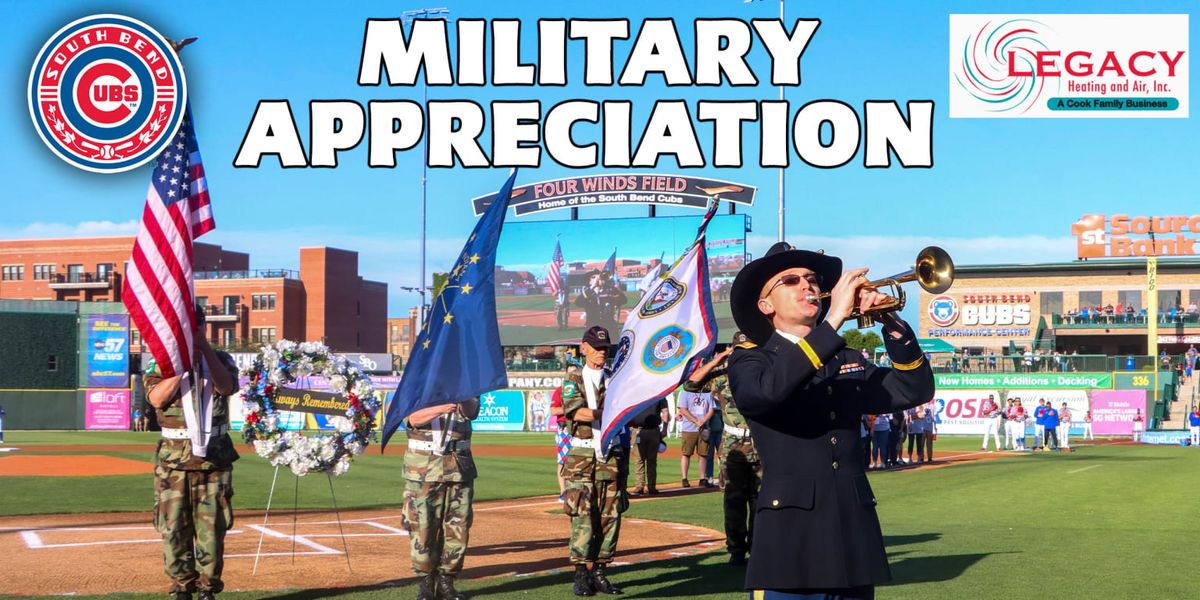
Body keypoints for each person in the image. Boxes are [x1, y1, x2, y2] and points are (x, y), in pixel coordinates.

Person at [726, 242, 935, 597]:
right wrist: (834, 319)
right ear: (766, 305)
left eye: (811, 279)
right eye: (791, 280)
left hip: (853, 538)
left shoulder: (844, 357)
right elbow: (766, 394)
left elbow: (913, 389)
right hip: (790, 541)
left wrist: (893, 325)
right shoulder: (752, 359)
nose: (807, 285)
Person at [143, 310, 239, 600]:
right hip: (173, 463)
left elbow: (227, 386)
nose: (190, 332)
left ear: (203, 327)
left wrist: (205, 351)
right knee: (173, 529)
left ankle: (208, 589)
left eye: (195, 327)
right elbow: (156, 398)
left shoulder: (221, 359)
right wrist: (181, 367)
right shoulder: (161, 362)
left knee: (212, 531)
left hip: (213, 461)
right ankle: (182, 588)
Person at [560, 326, 628, 596]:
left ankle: (600, 572)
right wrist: (609, 412)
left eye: (605, 349)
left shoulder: (615, 378)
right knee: (583, 516)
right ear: (584, 348)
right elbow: (576, 412)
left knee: (610, 516)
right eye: (597, 348)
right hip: (583, 459)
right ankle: (580, 574)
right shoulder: (574, 378)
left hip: (611, 457)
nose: (601, 353)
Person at [686, 332, 761, 565]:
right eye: (740, 350)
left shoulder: (763, 371)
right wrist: (717, 360)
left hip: (761, 444)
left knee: (760, 500)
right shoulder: (721, 377)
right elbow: (690, 384)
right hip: (732, 445)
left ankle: (758, 549)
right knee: (734, 500)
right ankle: (736, 551)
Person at [402, 397, 480, 600]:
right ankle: (426, 583)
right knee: (422, 527)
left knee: (458, 527)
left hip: (459, 467)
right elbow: (413, 419)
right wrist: (444, 407)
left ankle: (447, 582)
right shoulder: (417, 387)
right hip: (423, 469)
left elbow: (472, 412)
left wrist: (463, 397)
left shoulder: (466, 385)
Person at [676, 382, 715, 488]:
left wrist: (703, 421)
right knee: (686, 453)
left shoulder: (707, 393)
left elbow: (711, 410)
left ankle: (702, 478)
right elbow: (683, 409)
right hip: (689, 428)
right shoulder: (685, 392)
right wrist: (695, 421)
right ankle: (684, 478)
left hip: (704, 428)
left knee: (703, 454)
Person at [629, 395, 669, 495]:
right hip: (638, 430)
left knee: (650, 460)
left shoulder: (659, 394)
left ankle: (651, 486)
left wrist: (665, 428)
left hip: (653, 430)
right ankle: (640, 486)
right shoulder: (635, 393)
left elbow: (665, 411)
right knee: (639, 459)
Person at [551, 364, 579, 500]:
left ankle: (576, 489)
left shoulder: (582, 389)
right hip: (565, 429)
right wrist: (570, 408)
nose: (572, 375)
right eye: (570, 372)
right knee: (563, 460)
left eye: (575, 372)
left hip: (579, 427)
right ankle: (563, 491)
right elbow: (553, 411)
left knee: (579, 459)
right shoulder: (560, 390)